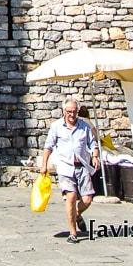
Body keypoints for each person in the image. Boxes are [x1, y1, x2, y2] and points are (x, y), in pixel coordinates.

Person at [39, 96, 100, 243]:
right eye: (69, 112)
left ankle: (77, 214)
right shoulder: (56, 126)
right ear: (63, 111)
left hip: (82, 166)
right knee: (71, 198)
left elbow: (93, 144)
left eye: (74, 111)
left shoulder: (84, 126)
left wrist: (95, 156)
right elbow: (48, 146)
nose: (72, 115)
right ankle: (73, 233)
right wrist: (44, 164)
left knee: (87, 199)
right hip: (65, 167)